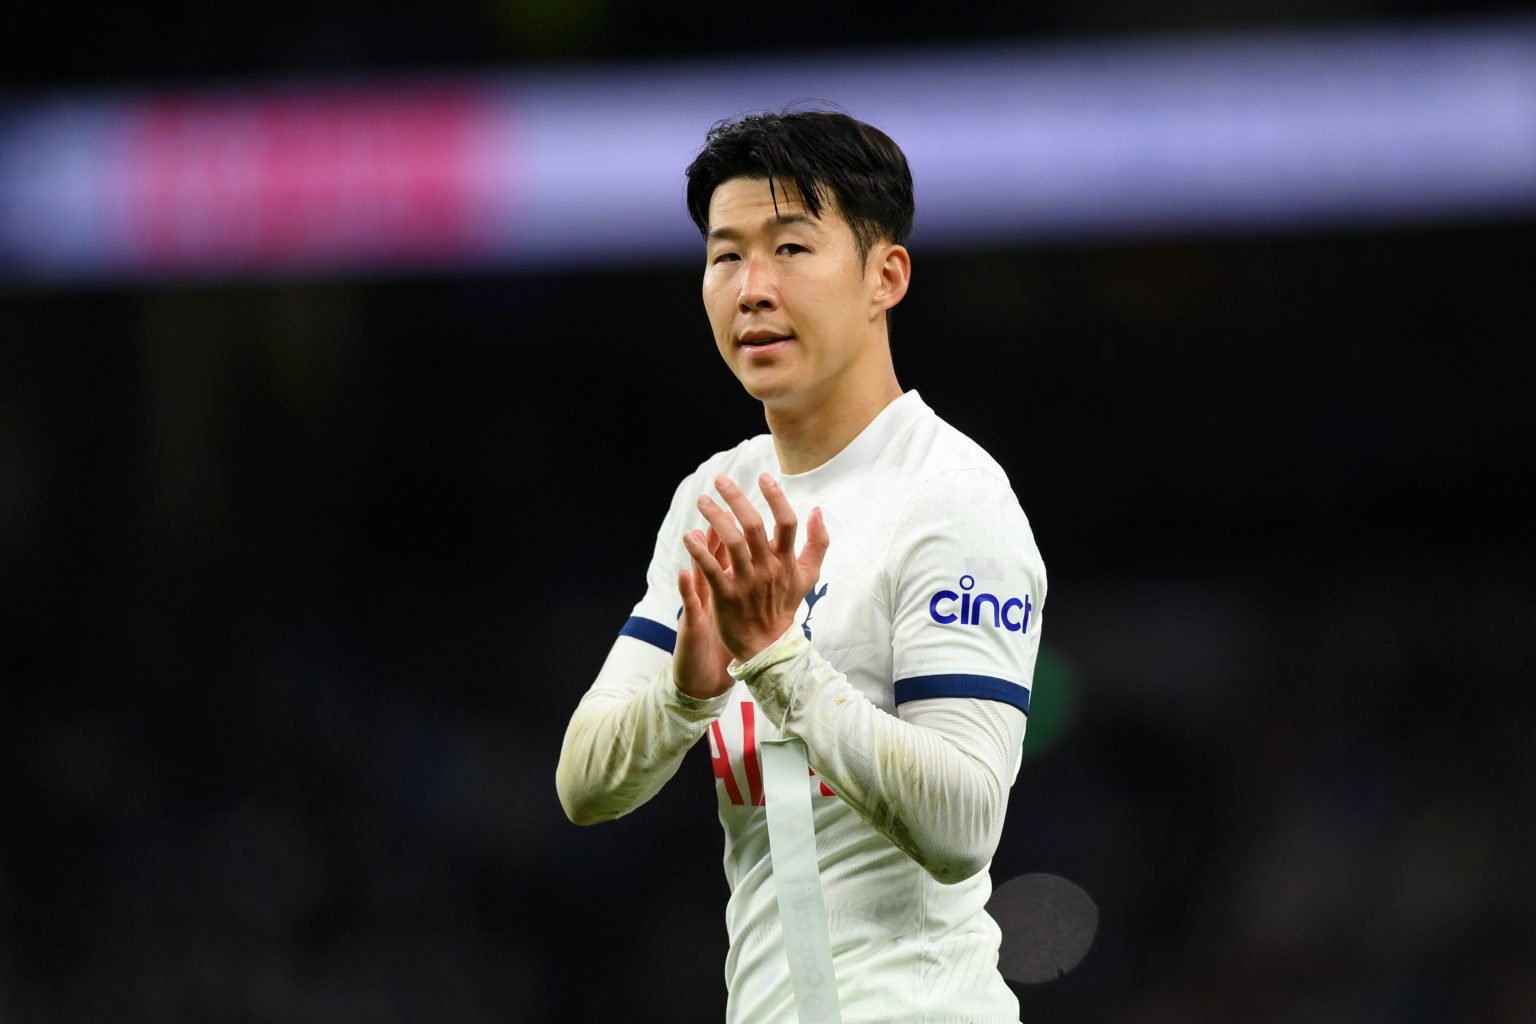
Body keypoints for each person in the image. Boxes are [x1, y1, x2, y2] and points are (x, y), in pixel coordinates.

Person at [555, 109, 1046, 1023]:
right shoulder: (718, 498)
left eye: (791, 249)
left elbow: (965, 827)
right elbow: (582, 785)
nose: (752, 289)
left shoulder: (952, 497)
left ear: (884, 277)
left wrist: (779, 660)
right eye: (726, 255)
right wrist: (682, 697)